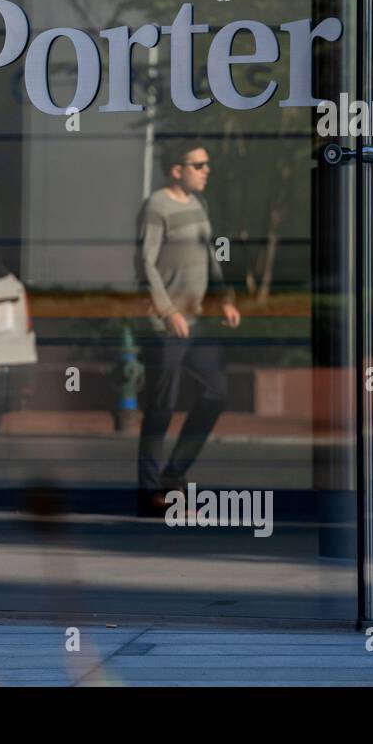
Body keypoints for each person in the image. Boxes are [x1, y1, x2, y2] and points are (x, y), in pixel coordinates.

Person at [134, 142, 241, 516]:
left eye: (207, 164)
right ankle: (150, 494)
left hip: (197, 321)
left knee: (217, 393)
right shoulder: (156, 208)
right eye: (199, 165)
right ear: (177, 170)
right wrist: (167, 313)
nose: (206, 170)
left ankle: (173, 474)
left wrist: (224, 298)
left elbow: (210, 258)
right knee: (161, 408)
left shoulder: (199, 206)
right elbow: (145, 264)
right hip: (165, 325)